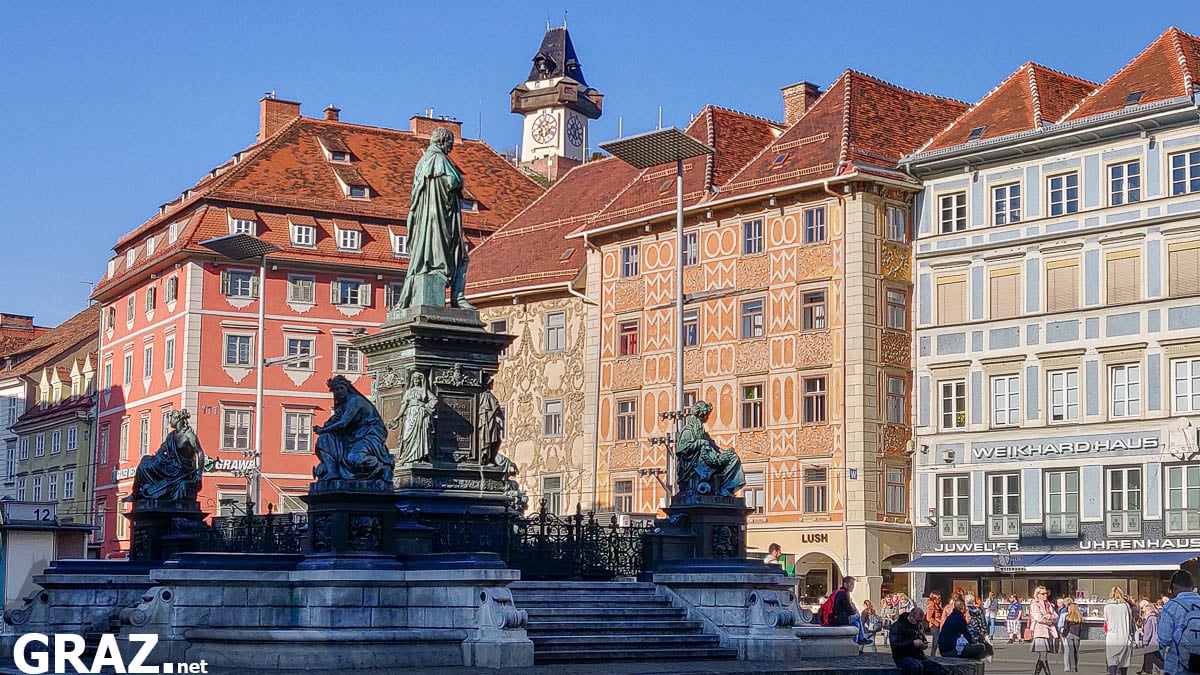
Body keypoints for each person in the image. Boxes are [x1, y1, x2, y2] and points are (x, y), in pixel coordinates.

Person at [395, 127, 473, 311]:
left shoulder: (423, 161)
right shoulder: (438, 159)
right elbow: (451, 182)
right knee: (459, 255)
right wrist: (459, 182)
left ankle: (457, 297)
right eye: (450, 144)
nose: (451, 148)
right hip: (439, 219)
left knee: (459, 256)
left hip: (430, 218)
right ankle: (457, 297)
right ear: (442, 141)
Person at [313, 376, 394, 484]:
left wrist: (323, 430)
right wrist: (325, 427)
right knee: (324, 439)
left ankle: (382, 467)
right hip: (352, 437)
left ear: (347, 387)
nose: (339, 392)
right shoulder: (342, 405)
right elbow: (336, 419)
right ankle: (333, 472)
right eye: (336, 390)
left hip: (369, 434)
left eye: (341, 388)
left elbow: (343, 423)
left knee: (354, 458)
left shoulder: (355, 400)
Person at [124, 409, 204, 502]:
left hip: (181, 469)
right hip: (169, 464)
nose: (170, 420)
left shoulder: (189, 435)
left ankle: (137, 494)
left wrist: (199, 473)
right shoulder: (171, 435)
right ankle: (136, 493)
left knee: (143, 467)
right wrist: (156, 458)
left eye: (172, 418)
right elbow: (162, 450)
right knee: (145, 460)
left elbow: (200, 452)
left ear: (178, 419)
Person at [674, 401, 745, 497]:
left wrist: (726, 452)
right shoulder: (688, 430)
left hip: (708, 459)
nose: (707, 417)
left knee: (734, 458)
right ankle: (719, 488)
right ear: (701, 415)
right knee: (716, 468)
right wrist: (700, 443)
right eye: (707, 415)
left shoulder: (701, 430)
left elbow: (713, 447)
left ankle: (725, 488)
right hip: (694, 465)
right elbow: (682, 449)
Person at [1158, 569, 1200, 675]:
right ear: (1192, 587)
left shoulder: (1171, 606)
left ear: (1174, 587)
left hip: (1177, 666)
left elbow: (1164, 639)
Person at [391, 370, 437, 465]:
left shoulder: (424, 391)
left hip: (420, 414)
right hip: (410, 414)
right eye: (414, 379)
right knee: (407, 436)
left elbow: (434, 400)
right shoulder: (408, 392)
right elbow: (404, 405)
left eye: (418, 379)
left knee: (419, 436)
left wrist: (425, 406)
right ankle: (407, 456)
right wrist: (397, 417)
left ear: (421, 380)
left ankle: (418, 457)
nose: (416, 381)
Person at [890, 606, 949, 675]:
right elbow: (895, 645)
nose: (919, 623)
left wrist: (924, 645)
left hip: (917, 655)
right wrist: (912, 643)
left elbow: (924, 640)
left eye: (921, 621)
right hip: (902, 656)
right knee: (916, 668)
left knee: (940, 670)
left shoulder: (919, 625)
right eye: (918, 621)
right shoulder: (898, 626)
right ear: (911, 617)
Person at [824, 576, 871, 646]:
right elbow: (849, 610)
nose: (853, 586)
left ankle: (854, 644)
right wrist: (854, 612)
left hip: (834, 618)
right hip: (839, 619)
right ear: (846, 584)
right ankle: (861, 638)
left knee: (856, 624)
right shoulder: (844, 594)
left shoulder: (837, 592)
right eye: (851, 584)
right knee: (857, 616)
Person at [1030, 585, 1059, 675]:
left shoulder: (1048, 603)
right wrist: (1049, 619)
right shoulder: (1035, 603)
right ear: (1037, 594)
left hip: (1049, 632)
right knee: (1043, 655)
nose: (1045, 595)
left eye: (1046, 593)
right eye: (1043, 594)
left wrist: (1048, 617)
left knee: (1043, 655)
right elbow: (1038, 617)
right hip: (1039, 631)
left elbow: (1056, 616)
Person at [1106, 586, 1136, 675]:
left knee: (1111, 659)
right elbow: (1130, 620)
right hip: (1124, 635)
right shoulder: (1126, 606)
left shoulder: (1107, 606)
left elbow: (1106, 620)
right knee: (1124, 660)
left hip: (1112, 636)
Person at [1139, 600, 1163, 675]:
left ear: (1148, 610)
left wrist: (1144, 640)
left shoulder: (1149, 619)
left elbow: (1148, 632)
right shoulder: (1155, 617)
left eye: (1143, 609)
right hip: (1155, 641)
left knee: (1153, 658)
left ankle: (1150, 671)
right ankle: (1147, 670)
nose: (1142, 611)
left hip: (1150, 642)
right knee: (1153, 657)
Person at [1062, 602, 1084, 673]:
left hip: (1069, 634)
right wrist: (1079, 635)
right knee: (1076, 651)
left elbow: (1066, 628)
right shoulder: (1079, 617)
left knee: (1071, 651)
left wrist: (1063, 635)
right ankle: (1075, 666)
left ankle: (1073, 667)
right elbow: (1081, 628)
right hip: (1077, 635)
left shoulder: (1068, 617)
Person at [926, 592, 944, 656]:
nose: (940, 599)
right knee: (935, 641)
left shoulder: (937, 604)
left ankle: (938, 654)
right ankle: (933, 654)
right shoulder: (931, 605)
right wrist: (936, 623)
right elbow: (928, 617)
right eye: (938, 598)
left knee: (939, 640)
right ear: (934, 598)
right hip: (934, 625)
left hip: (938, 624)